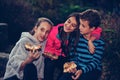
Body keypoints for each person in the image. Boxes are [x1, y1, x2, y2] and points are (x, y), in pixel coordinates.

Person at [44, 12, 102, 80]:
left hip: (90, 70)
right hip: (70, 62)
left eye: (74, 25)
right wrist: (73, 64)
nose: (68, 26)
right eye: (68, 21)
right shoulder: (58, 31)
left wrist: (90, 41)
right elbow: (74, 56)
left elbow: (97, 29)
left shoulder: (83, 37)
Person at [59, 9, 105, 80]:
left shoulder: (99, 43)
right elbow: (73, 56)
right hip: (78, 67)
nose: (79, 27)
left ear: (92, 28)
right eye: (80, 24)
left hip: (92, 70)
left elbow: (95, 62)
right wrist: (73, 65)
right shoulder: (77, 38)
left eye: (83, 26)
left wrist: (82, 71)